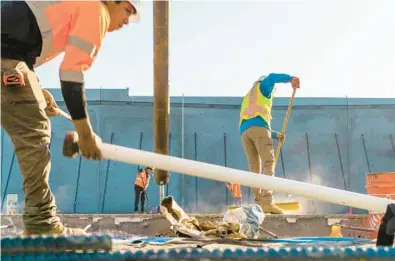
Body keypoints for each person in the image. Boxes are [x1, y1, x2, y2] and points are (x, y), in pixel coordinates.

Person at [1, 0, 140, 236]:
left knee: (34, 114)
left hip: (11, 55)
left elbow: (19, 41)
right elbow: (71, 74)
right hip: (7, 57)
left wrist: (38, 91)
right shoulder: (95, 9)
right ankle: (42, 222)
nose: (127, 21)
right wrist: (86, 135)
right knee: (35, 133)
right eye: (128, 10)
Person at [239, 73, 300, 214]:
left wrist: (275, 135)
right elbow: (272, 77)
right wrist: (291, 79)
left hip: (245, 132)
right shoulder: (263, 87)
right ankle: (266, 201)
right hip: (258, 129)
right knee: (268, 162)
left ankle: (259, 201)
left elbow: (254, 122)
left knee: (254, 168)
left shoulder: (248, 96)